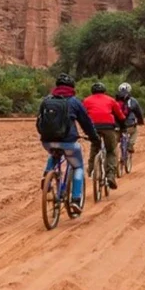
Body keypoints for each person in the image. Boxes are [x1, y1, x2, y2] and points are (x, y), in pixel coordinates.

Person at [36, 73, 100, 216]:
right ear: (72, 87)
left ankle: (46, 175)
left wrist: (44, 136)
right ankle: (76, 200)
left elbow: (39, 121)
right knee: (77, 167)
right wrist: (94, 137)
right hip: (69, 143)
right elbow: (86, 123)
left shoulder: (46, 100)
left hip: (47, 141)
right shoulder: (75, 102)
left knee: (54, 152)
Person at [82, 82, 127, 190]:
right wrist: (123, 127)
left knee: (94, 147)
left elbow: (82, 115)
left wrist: (85, 129)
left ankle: (92, 170)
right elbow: (120, 116)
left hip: (93, 128)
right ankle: (110, 175)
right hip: (108, 127)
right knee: (111, 150)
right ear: (104, 91)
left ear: (92, 91)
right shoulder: (111, 100)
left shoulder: (86, 100)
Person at [116, 82, 145, 154]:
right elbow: (139, 113)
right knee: (135, 131)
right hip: (129, 125)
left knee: (114, 141)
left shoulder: (115, 100)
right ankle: (130, 145)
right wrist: (140, 121)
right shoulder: (133, 101)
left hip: (117, 126)